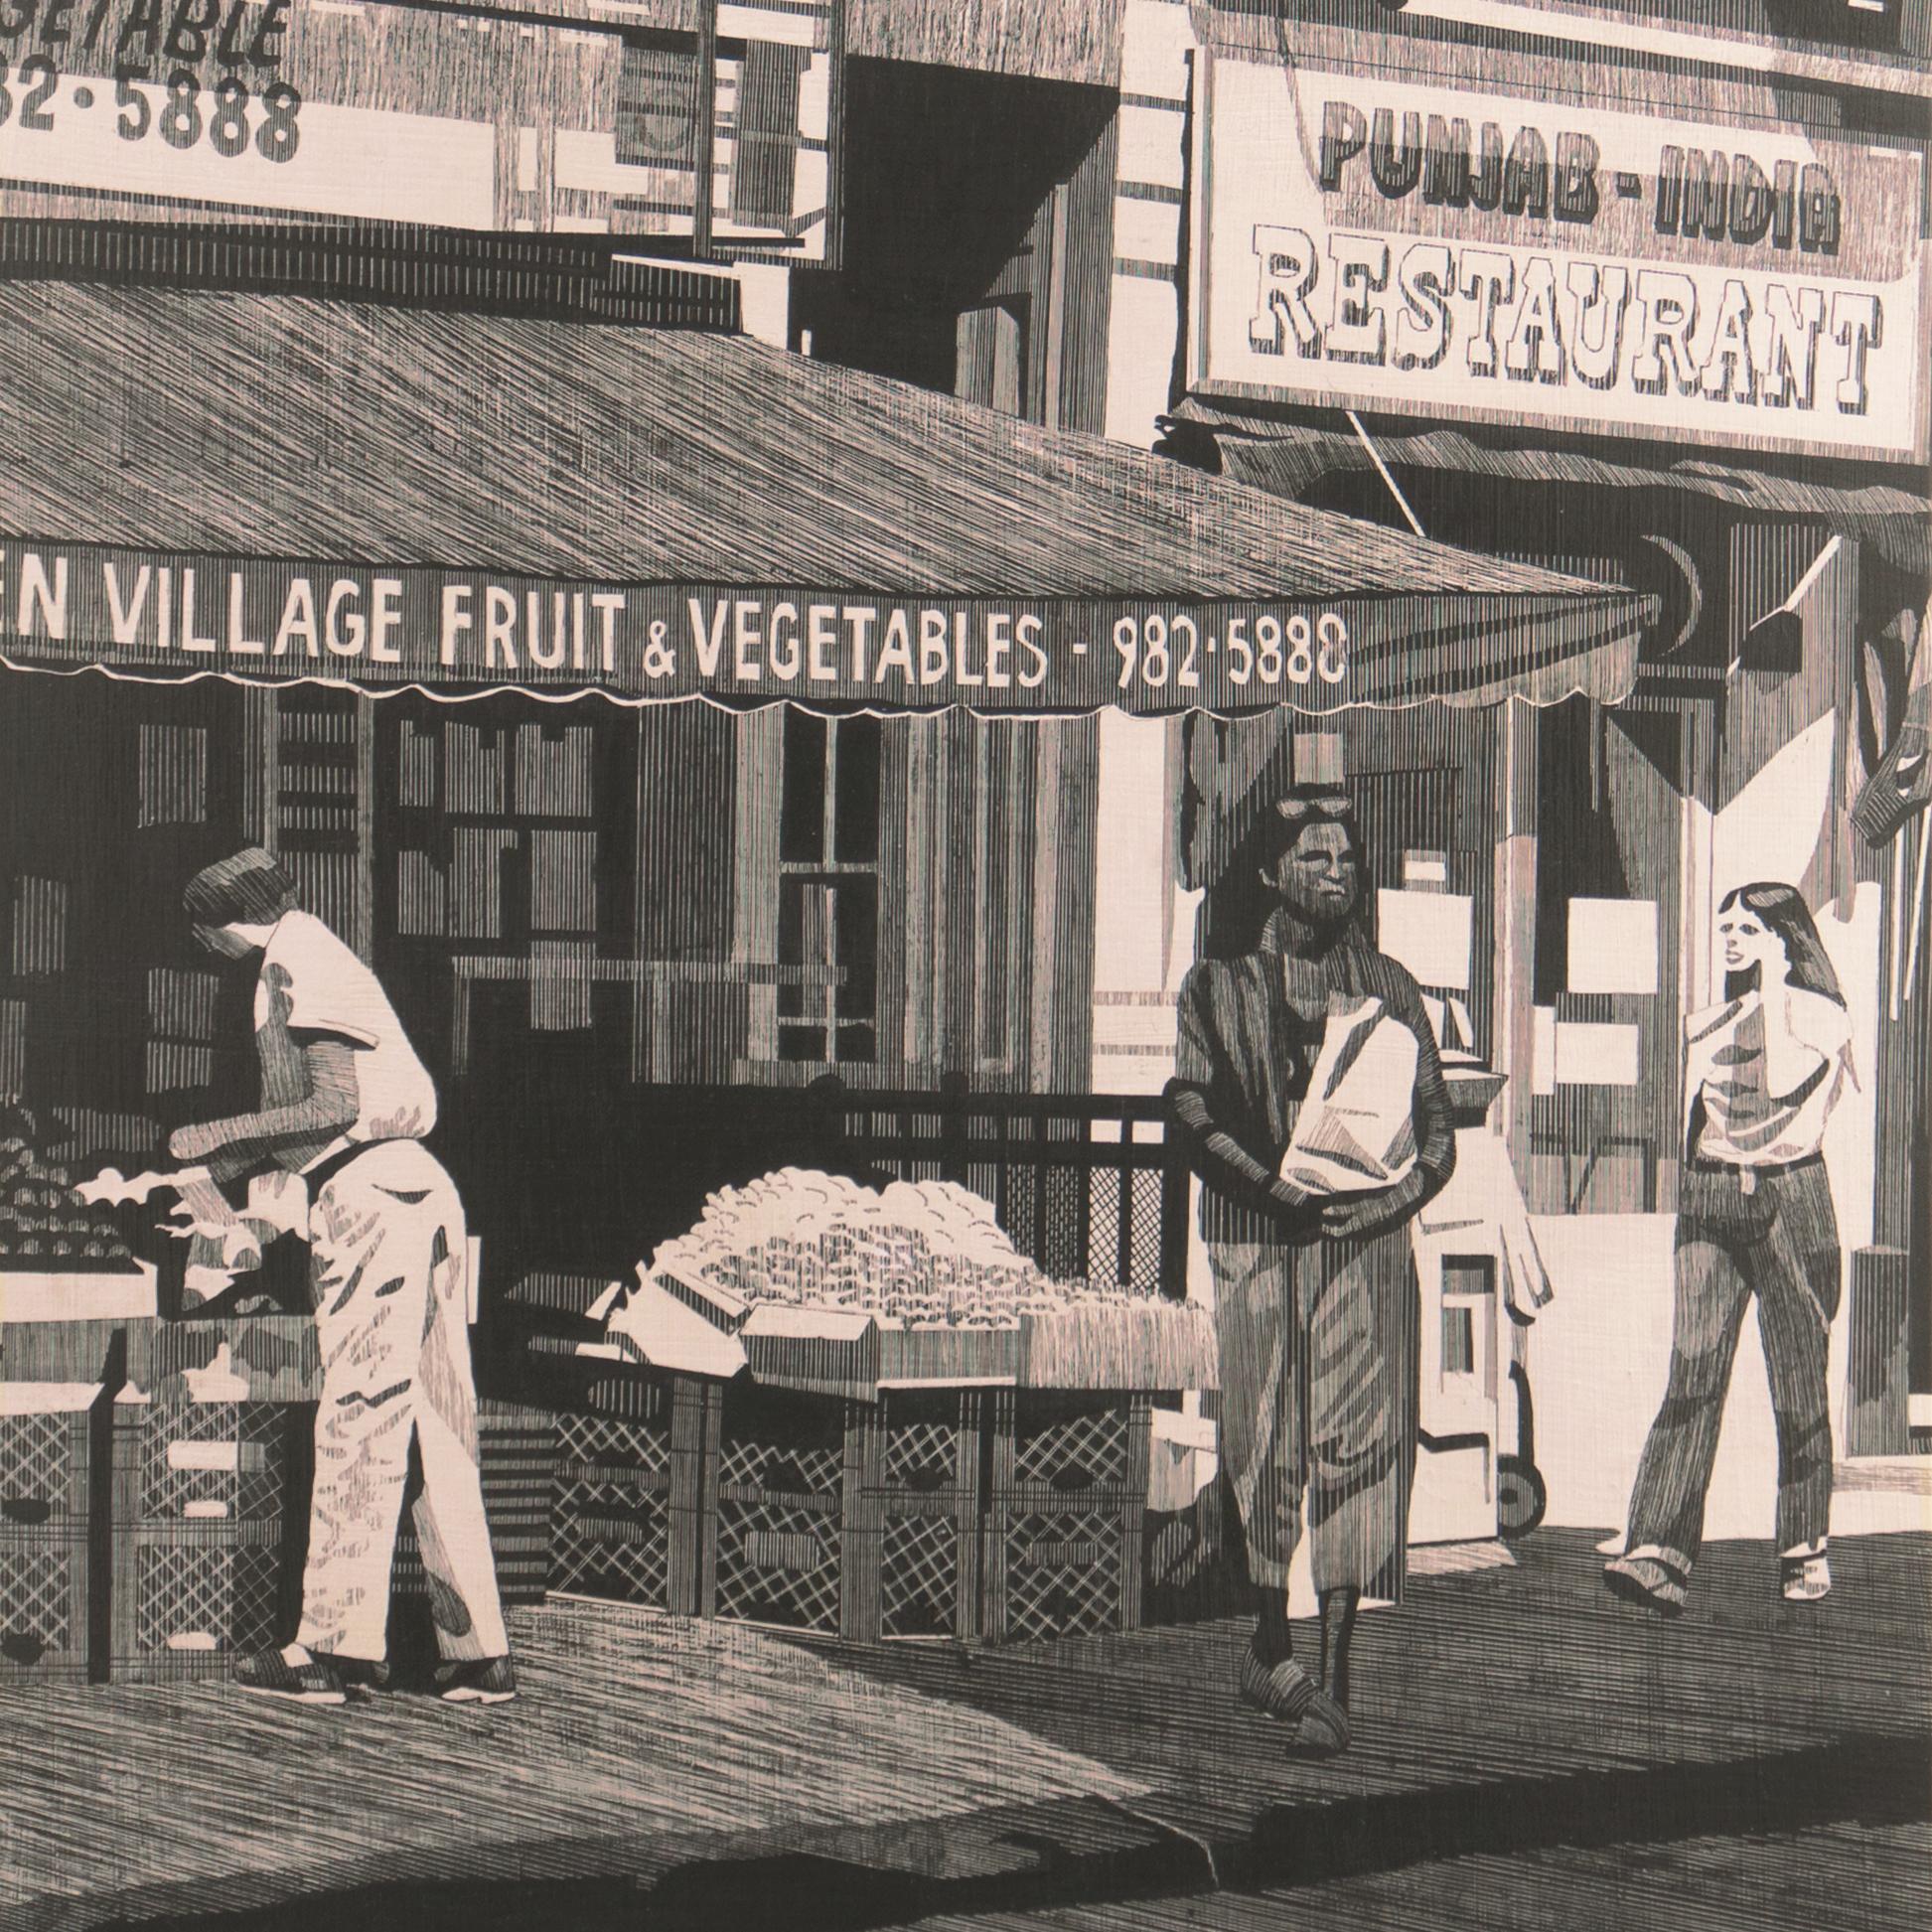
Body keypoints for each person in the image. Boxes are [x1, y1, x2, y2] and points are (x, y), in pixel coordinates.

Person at [168, 847, 515, 1707]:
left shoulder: (296, 957)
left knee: (360, 1414)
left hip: (372, 1191)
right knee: (437, 1420)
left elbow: (334, 1104)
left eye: (200, 933)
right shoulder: (315, 949)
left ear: (217, 924)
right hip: (420, 1187)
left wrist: (213, 1139)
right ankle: (477, 1654)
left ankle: (332, 1650)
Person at [1169, 788, 1455, 1756]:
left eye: (1346, 858)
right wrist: (1273, 1192)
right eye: (1314, 858)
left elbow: (1436, 1140)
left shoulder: (1392, 989)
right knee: (1263, 1443)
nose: (1336, 872)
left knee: (1360, 1452)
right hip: (1256, 1247)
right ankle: (1266, 1640)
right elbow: (1192, 1114)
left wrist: (1363, 1210)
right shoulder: (1215, 989)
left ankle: (1334, 1676)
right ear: (1267, 872)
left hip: (1365, 1254)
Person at [1607, 882, 1855, 1616]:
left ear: (1784, 935)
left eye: (1748, 927)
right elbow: (1695, 1112)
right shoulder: (1714, 1017)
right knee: (1691, 1370)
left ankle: (1802, 1545)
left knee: (1798, 1381)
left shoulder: (1816, 1013)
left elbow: (1779, 1079)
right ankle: (1656, 1548)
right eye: (1724, 927)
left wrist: (1771, 983)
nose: (1731, 939)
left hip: (1790, 1194)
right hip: (1715, 1192)